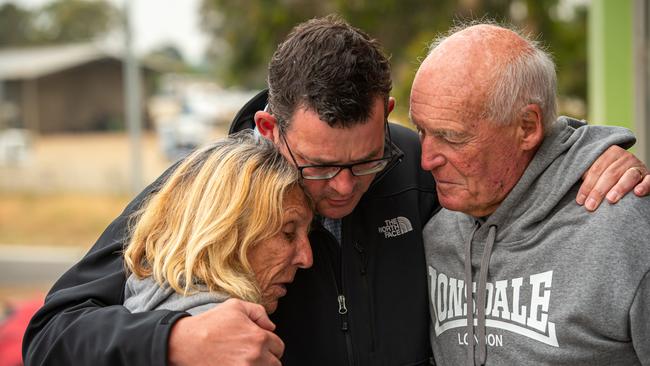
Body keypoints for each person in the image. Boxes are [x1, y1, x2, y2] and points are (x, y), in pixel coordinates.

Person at [23, 15, 650, 366]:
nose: (347, 185)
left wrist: (596, 155)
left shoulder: (420, 161)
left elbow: (508, 139)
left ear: (390, 115)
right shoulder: (205, 194)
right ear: (271, 127)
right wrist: (174, 342)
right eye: (321, 167)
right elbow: (51, 335)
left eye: (368, 160)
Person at [413, 23, 650, 365]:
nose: (426, 160)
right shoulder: (434, 228)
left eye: (452, 137)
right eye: (422, 130)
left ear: (527, 126)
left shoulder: (624, 231)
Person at [122, 131, 313, 322]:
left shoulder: (142, 300)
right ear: (224, 232)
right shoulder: (229, 340)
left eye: (308, 234)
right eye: (288, 233)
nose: (306, 258)